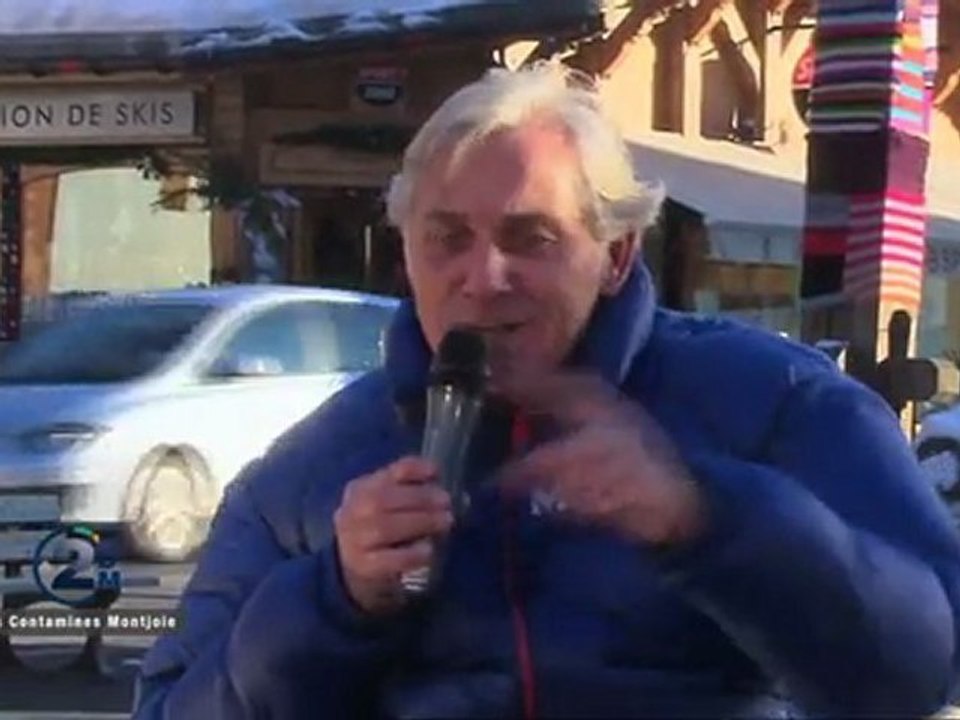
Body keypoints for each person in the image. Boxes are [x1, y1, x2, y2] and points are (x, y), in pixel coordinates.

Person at [133, 63, 960, 719]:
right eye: (447, 238)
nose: (484, 277)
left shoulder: (779, 405)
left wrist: (711, 521)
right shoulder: (313, 471)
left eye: (531, 237)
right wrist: (333, 601)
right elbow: (175, 707)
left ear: (616, 254)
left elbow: (922, 671)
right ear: (406, 251)